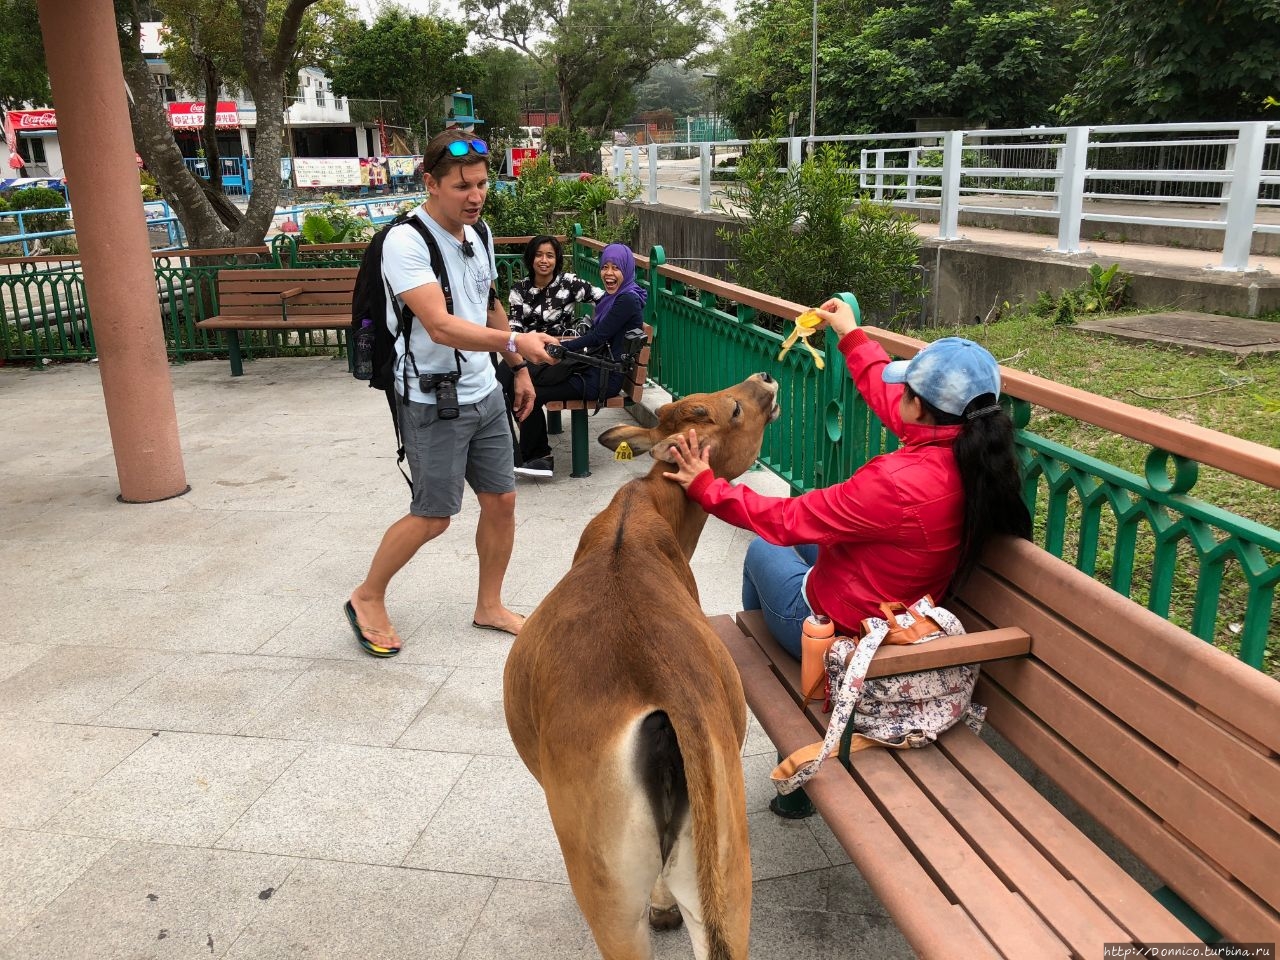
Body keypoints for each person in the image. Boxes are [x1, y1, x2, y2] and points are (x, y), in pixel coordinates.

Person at [663, 295, 1032, 659]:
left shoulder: (896, 484)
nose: (898, 396)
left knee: (764, 549)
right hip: (897, 594)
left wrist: (707, 488)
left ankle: (767, 659)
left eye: (906, 390)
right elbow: (892, 400)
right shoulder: (974, 449)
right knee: (809, 545)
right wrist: (850, 334)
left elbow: (787, 519)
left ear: (918, 407)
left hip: (844, 634)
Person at [343, 129, 562, 657]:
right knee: (434, 514)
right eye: (462, 185)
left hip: (483, 390)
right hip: (431, 397)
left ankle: (489, 604)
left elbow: (484, 301)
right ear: (431, 183)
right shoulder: (405, 242)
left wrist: (517, 369)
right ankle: (366, 596)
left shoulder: (478, 233)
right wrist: (517, 340)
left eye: (483, 184)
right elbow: (439, 326)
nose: (475, 195)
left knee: (502, 500)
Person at [509, 242, 647, 478]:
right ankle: (532, 454)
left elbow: (596, 338)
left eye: (616, 268)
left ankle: (537, 456)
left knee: (533, 391)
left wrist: (557, 346)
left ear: (627, 268)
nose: (609, 273)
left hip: (602, 378)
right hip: (596, 368)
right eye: (605, 267)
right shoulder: (619, 297)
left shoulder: (626, 300)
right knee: (521, 381)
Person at [506, 235, 602, 338]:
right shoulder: (519, 289)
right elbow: (514, 328)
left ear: (557, 259)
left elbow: (604, 298)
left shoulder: (569, 283)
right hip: (530, 348)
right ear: (531, 258)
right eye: (538, 255)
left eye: (550, 256)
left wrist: (597, 327)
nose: (544, 260)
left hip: (564, 346)